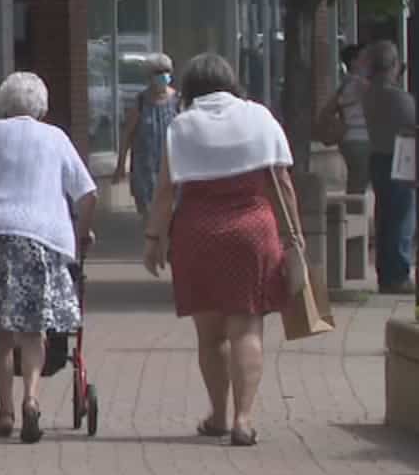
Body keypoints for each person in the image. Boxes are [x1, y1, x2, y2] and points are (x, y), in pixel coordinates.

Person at [141, 54, 301, 447]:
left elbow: (165, 191)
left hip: (198, 234)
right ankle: (245, 419)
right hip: (253, 229)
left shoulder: (181, 126)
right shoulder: (260, 118)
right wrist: (294, 238)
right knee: (246, 326)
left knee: (210, 336)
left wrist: (154, 238)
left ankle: (218, 414)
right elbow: (281, 183)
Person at [0, 72, 97, 444]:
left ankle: (4, 411)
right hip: (45, 240)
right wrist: (83, 233)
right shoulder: (57, 138)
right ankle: (32, 399)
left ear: (3, 105)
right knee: (33, 329)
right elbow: (87, 193)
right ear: (42, 107)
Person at [361, 41, 417, 294]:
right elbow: (414, 124)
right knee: (401, 216)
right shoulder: (398, 97)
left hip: (377, 157)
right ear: (394, 66)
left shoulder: (368, 94)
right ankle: (398, 274)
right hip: (400, 157)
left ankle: (387, 273)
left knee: (385, 215)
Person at [112, 52, 179, 215]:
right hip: (145, 170)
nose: (163, 76)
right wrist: (121, 165)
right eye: (157, 73)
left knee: (171, 216)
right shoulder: (141, 102)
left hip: (171, 168)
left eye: (165, 72)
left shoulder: (178, 100)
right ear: (149, 77)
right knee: (149, 217)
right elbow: (127, 134)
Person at [333, 42, 373, 192]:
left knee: (357, 180)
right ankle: (353, 211)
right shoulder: (358, 83)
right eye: (364, 58)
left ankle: (352, 209)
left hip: (351, 138)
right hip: (359, 138)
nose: (368, 61)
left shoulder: (347, 83)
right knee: (359, 183)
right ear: (353, 62)